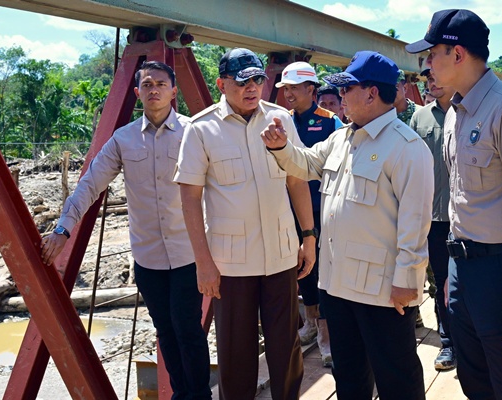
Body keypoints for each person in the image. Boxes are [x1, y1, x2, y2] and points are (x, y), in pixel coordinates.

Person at [260, 50, 432, 400]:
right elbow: (307, 164)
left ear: (371, 92)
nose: (340, 97)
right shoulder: (343, 138)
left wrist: (407, 283)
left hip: (382, 291)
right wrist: (281, 147)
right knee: (349, 375)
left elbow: (416, 224)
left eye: (346, 89)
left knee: (396, 375)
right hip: (336, 285)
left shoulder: (407, 148)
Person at [41, 61, 211, 399]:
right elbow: (90, 184)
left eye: (161, 84)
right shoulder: (124, 139)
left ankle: (200, 395)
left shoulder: (196, 133)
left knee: (188, 329)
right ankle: (182, 394)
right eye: (147, 85)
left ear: (174, 91)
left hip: (188, 252)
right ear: (137, 93)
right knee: (165, 330)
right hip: (148, 257)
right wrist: (63, 227)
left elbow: (223, 187)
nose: (154, 90)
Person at [407, 9, 502, 400]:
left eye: (431, 54)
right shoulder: (457, 112)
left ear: (457, 54)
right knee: (476, 383)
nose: (427, 66)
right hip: (462, 269)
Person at [175, 48, 314, 400]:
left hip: (281, 255)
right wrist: (203, 263)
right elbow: (189, 198)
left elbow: (296, 180)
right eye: (242, 82)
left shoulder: (280, 119)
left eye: (257, 79)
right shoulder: (202, 128)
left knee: (287, 346)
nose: (252, 88)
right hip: (231, 263)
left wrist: (309, 236)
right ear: (222, 84)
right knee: (236, 353)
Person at [276, 61, 342, 367]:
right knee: (302, 268)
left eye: (293, 88)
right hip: (291, 209)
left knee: (324, 269)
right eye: (284, 89)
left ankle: (328, 334)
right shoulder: (281, 121)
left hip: (322, 209)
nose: (288, 94)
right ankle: (313, 324)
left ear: (310, 90)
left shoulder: (331, 123)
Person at [409, 67, 457, 371]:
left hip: (465, 217)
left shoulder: (468, 111)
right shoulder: (420, 118)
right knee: (440, 283)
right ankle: (449, 344)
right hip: (433, 218)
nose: (432, 82)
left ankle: (473, 341)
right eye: (428, 79)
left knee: (467, 284)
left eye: (437, 76)